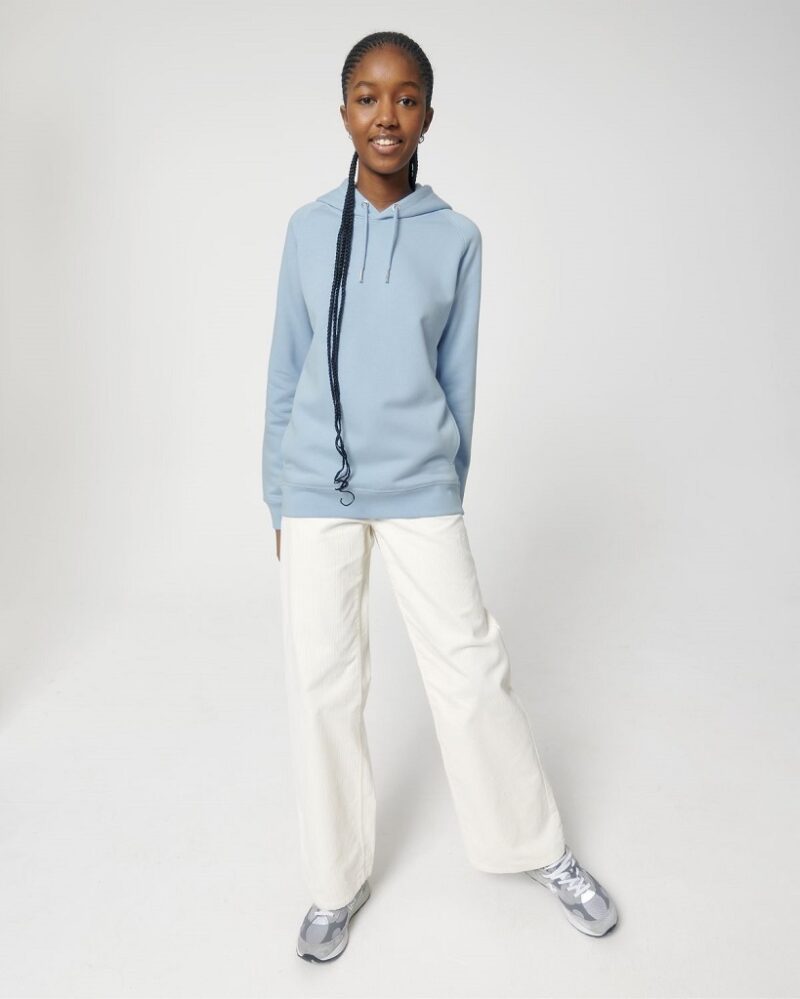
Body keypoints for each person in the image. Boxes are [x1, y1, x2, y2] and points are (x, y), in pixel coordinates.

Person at [262, 30, 619, 963]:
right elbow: (286, 369)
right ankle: (335, 880)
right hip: (318, 488)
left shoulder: (457, 237)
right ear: (344, 111)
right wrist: (279, 497)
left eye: (406, 97)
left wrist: (442, 490)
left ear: (427, 114)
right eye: (368, 97)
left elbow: (459, 382)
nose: (386, 115)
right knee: (322, 682)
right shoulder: (308, 229)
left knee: (470, 666)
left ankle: (535, 846)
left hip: (420, 485)